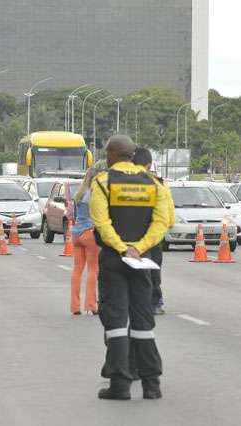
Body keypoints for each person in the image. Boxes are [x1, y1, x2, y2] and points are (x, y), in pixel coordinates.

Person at [90, 135, 169, 400]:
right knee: (143, 321)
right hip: (143, 260)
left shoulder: (103, 182)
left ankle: (120, 384)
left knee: (115, 321)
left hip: (114, 259)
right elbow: (163, 222)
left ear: (112, 154)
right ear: (133, 154)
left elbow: (102, 223)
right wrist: (139, 247)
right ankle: (151, 384)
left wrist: (123, 248)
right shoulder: (155, 184)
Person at [132, 147, 175, 315]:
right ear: (149, 165)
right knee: (153, 271)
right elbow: (169, 218)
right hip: (153, 237)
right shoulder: (159, 184)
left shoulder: (118, 182)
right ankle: (155, 302)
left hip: (126, 237)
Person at [70, 166, 103, 316]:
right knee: (93, 269)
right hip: (90, 233)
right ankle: (91, 305)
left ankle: (75, 306)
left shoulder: (79, 193)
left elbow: (73, 215)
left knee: (77, 269)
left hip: (76, 234)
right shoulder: (95, 193)